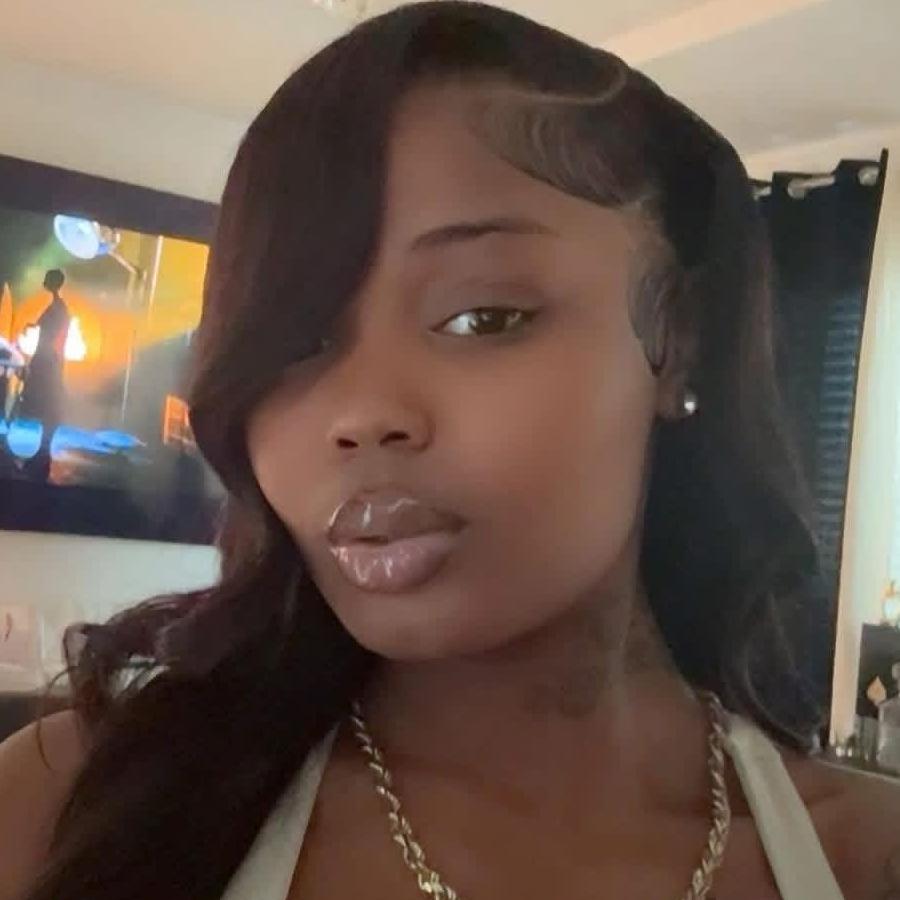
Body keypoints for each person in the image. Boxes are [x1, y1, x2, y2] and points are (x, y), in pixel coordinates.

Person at [0, 3, 898, 899]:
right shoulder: (76, 809)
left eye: (481, 317)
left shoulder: (862, 856)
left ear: (680, 342)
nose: (361, 414)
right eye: (296, 341)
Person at [15, 269, 71, 478]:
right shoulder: (57, 307)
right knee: (42, 408)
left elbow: (54, 336)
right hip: (47, 360)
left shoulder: (58, 308)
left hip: (48, 361)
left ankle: (42, 454)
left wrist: (45, 361)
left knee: (44, 407)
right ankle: (41, 453)